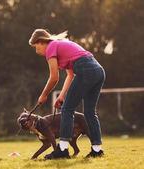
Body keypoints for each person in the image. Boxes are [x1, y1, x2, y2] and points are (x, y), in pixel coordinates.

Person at [29, 29, 106, 159]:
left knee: (67, 109)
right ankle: (97, 150)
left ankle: (63, 150)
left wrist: (44, 95)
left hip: (85, 70)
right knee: (89, 112)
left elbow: (54, 77)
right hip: (98, 71)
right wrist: (62, 96)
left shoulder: (51, 47)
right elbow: (70, 75)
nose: (37, 52)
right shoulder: (61, 46)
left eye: (36, 47)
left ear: (41, 42)